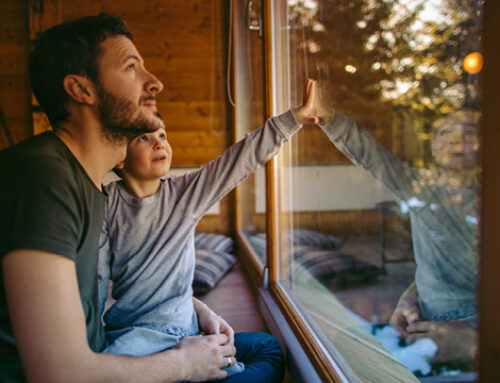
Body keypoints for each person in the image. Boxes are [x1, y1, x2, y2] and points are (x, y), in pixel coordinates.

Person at [0, 14, 239, 382]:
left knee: (259, 347)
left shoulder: (91, 185)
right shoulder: (42, 179)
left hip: (103, 351)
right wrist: (184, 364)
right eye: (131, 67)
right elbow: (58, 374)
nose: (154, 83)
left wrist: (194, 307)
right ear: (81, 90)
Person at [97, 79, 320, 382]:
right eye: (144, 139)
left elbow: (240, 158)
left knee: (267, 346)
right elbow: (93, 285)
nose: (160, 143)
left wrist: (294, 118)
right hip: (139, 342)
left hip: (172, 332)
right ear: (119, 157)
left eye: (162, 135)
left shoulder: (184, 193)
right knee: (262, 354)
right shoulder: (104, 204)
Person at [316, 105, 479, 367]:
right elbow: (373, 157)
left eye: (469, 133)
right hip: (423, 324)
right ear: (434, 147)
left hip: (470, 333)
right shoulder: (419, 187)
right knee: (340, 347)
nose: (456, 139)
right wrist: (409, 297)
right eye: (445, 132)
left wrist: (478, 343)